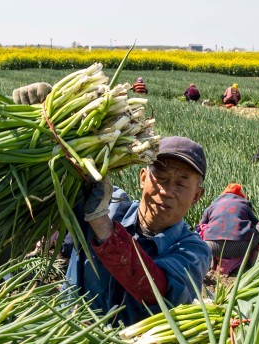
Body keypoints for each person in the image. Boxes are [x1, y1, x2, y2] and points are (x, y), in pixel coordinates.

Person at [65, 136, 211, 326]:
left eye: (181, 183)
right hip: (63, 335)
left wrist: (101, 224)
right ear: (143, 178)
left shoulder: (194, 251)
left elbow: (159, 292)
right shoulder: (107, 203)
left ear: (196, 196)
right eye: (160, 177)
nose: (167, 191)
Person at [196, 183, 259, 276]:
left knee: (202, 229)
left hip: (211, 248)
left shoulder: (213, 205)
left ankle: (212, 265)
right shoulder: (244, 203)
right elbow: (256, 223)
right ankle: (252, 263)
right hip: (241, 247)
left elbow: (200, 225)